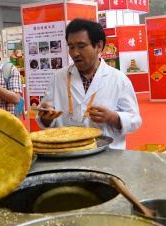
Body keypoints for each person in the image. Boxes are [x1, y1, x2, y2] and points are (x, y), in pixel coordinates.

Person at [36, 18, 141, 149]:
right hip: (67, 152)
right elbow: (44, 118)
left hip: (106, 155)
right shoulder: (58, 78)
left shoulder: (119, 79)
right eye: (71, 47)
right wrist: (47, 117)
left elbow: (135, 120)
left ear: (99, 46)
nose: (75, 53)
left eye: (81, 46)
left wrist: (113, 117)